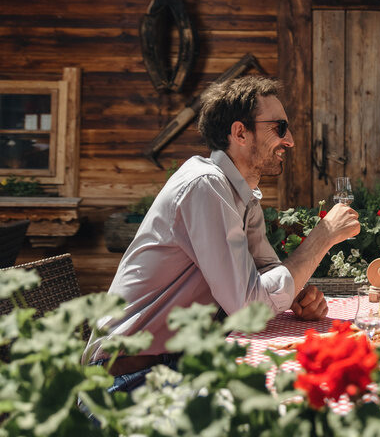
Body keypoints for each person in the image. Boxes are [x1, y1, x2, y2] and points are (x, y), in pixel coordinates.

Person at [83, 75, 360, 391]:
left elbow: (265, 271)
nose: (291, 140)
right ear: (240, 133)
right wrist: (322, 236)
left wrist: (296, 295)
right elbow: (247, 309)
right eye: (280, 128)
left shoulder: (240, 194)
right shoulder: (205, 186)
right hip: (126, 379)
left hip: (175, 363)